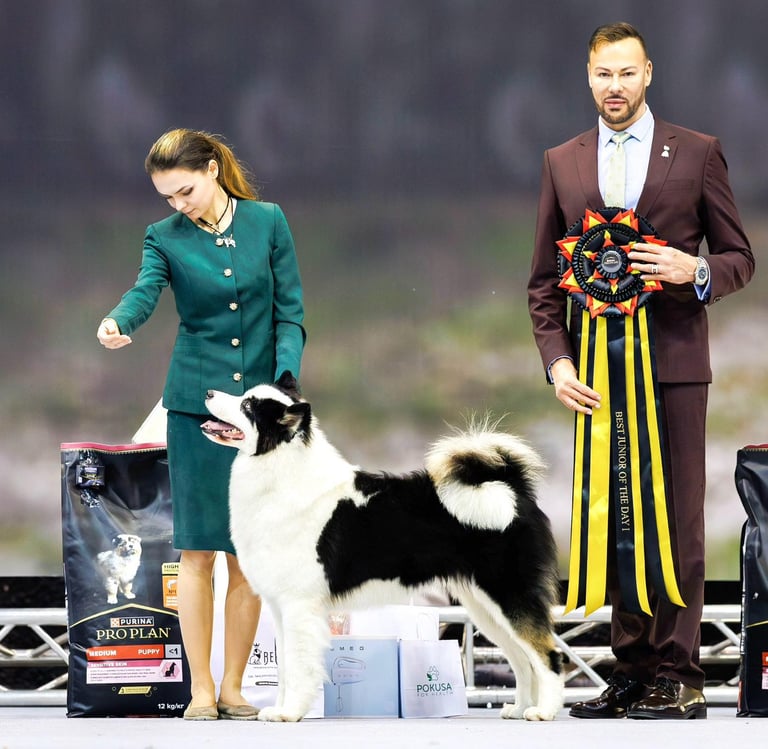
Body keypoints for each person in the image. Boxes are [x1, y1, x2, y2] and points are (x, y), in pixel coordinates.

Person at [528, 23, 754, 720]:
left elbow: (741, 258)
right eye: (604, 74)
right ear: (588, 77)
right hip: (598, 373)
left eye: (627, 73)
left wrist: (697, 270)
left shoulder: (697, 152)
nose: (615, 86)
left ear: (648, 73)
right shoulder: (561, 162)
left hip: (675, 368)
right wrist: (557, 362)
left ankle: (681, 674)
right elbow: (543, 284)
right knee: (616, 515)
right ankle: (630, 670)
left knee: (678, 522)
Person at [97, 128, 306, 720]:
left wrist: (284, 381)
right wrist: (119, 321)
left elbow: (290, 312)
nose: (178, 204)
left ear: (212, 169)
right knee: (196, 551)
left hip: (260, 412)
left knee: (246, 553)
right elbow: (144, 291)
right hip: (194, 407)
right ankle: (201, 690)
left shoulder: (269, 222)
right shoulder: (163, 236)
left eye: (185, 191)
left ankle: (235, 687)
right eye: (167, 197)